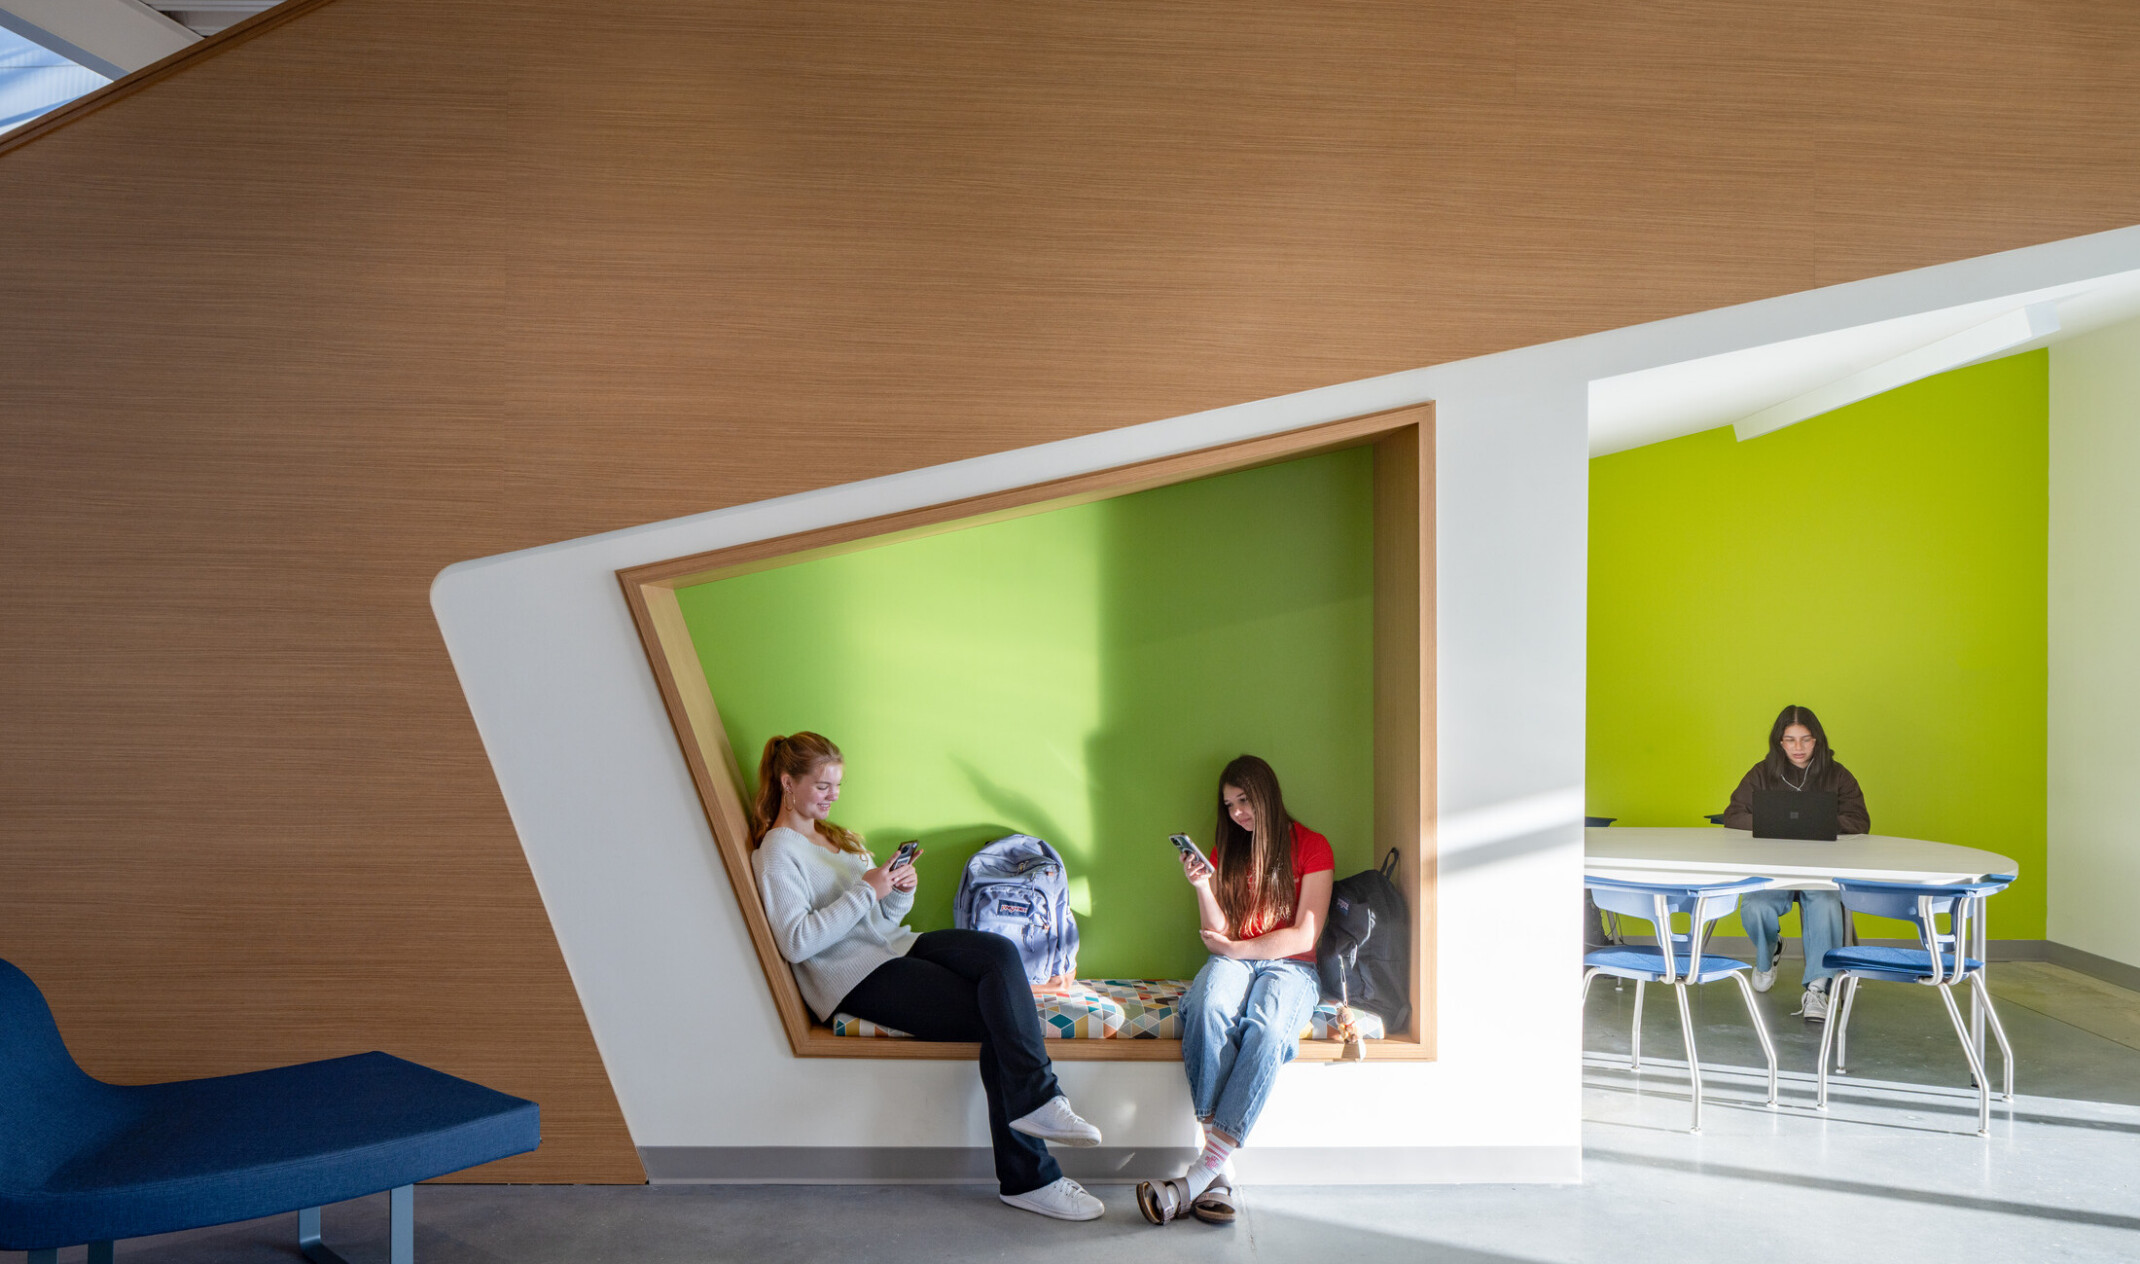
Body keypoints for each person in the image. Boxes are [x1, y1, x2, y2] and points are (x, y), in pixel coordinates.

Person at [749, 731, 1106, 1221]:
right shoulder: (777, 852)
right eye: (823, 786)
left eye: (838, 785)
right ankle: (1031, 1176)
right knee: (995, 1016)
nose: (833, 795)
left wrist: (898, 891)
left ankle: (1040, 1102)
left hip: (894, 947)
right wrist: (866, 892)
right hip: (854, 975)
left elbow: (882, 923)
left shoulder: (834, 839)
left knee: (999, 954)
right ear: (788, 782)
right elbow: (796, 942)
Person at [1138, 755, 1333, 1226]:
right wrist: (1203, 887)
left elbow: (1304, 936)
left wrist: (1239, 950)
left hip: (1291, 968)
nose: (1238, 813)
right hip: (1235, 958)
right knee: (1206, 1005)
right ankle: (1216, 1171)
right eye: (1229, 805)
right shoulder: (1231, 850)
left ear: (1267, 793)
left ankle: (1196, 1179)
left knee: (1267, 1030)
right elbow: (1216, 933)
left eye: (1244, 800)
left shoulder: (1312, 846)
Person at [1722, 705, 1870, 1021]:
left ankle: (1817, 990)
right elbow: (1733, 815)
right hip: (1774, 867)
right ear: (1779, 742)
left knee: (1826, 902)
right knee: (1755, 906)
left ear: (1817, 740)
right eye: (1790, 740)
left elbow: (1859, 820)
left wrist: (1817, 823)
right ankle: (1769, 952)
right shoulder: (1761, 773)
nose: (1798, 748)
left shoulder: (1838, 774)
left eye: (1806, 740)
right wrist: (1773, 822)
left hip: (1821, 869)